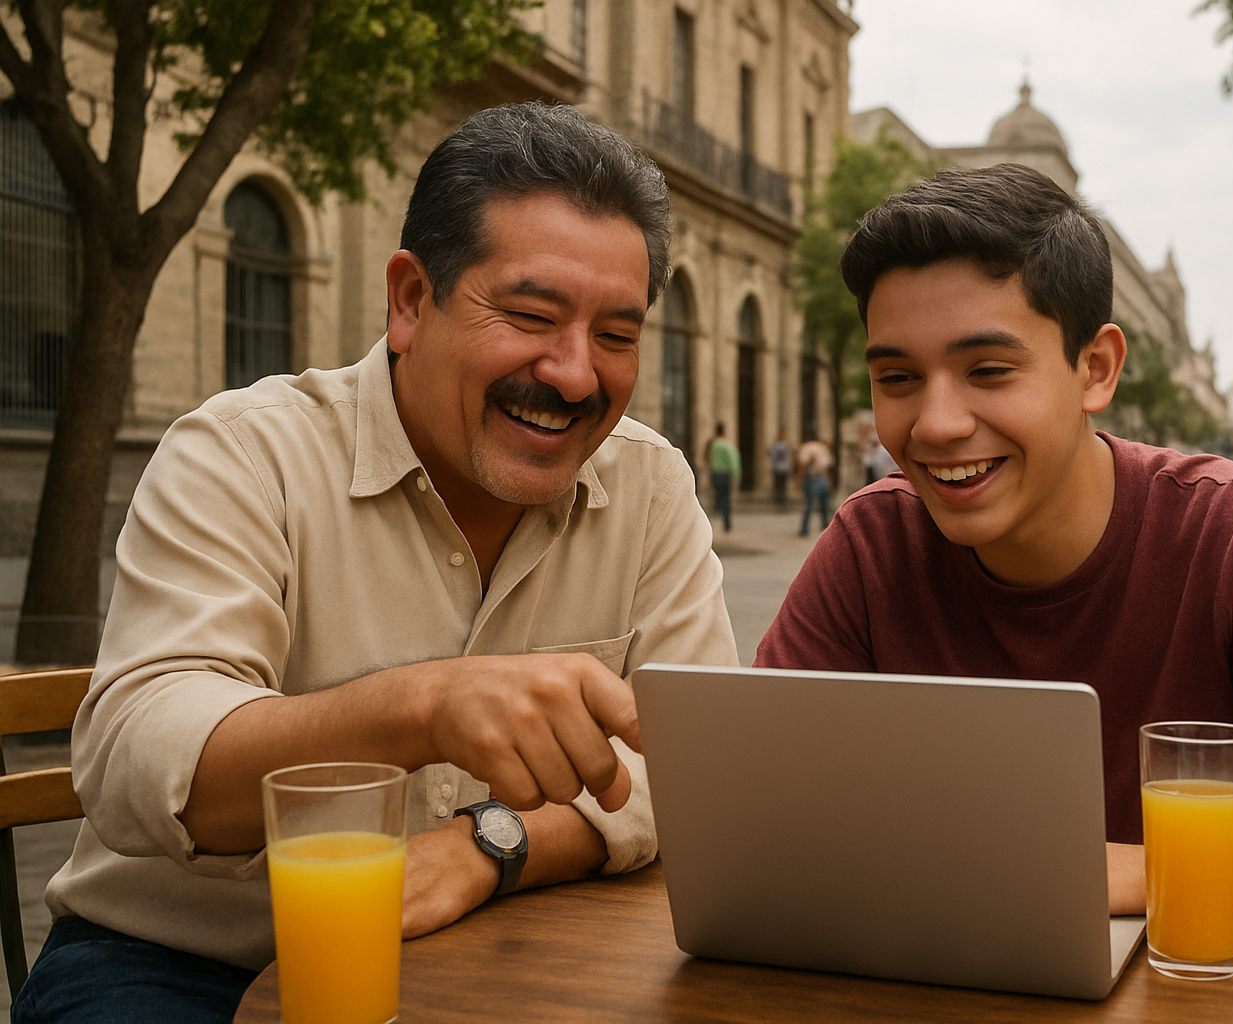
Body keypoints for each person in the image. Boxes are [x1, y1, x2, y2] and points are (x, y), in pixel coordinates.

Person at [15, 103, 738, 1024]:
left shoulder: (651, 485)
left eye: (617, 336)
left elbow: (695, 774)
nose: (574, 374)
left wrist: (492, 847)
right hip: (187, 963)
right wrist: (424, 705)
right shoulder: (242, 453)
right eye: (529, 315)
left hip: (516, 941)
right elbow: (138, 762)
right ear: (409, 301)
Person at [755, 164, 1233, 1020]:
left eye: (987, 370)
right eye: (897, 379)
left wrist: (1120, 872)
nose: (935, 424)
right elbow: (761, 837)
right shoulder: (870, 545)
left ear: (1096, 369)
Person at [703, 421, 741, 532]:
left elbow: (706, 457)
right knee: (725, 498)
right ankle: (727, 522)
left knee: (718, 496)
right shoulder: (726, 445)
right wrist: (736, 475)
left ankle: (712, 520)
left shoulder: (712, 444)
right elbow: (733, 461)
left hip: (715, 474)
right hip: (725, 474)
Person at [796, 436, 833, 536]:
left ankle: (806, 528)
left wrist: (800, 478)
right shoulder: (815, 448)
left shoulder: (814, 448)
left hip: (816, 477)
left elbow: (802, 464)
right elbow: (803, 463)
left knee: (813, 504)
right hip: (816, 478)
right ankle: (826, 528)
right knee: (821, 504)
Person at [767, 430, 792, 510]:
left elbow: (771, 455)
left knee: (779, 486)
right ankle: (781, 502)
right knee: (781, 486)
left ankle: (780, 501)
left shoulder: (778, 445)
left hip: (779, 468)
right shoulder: (784, 445)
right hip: (782, 468)